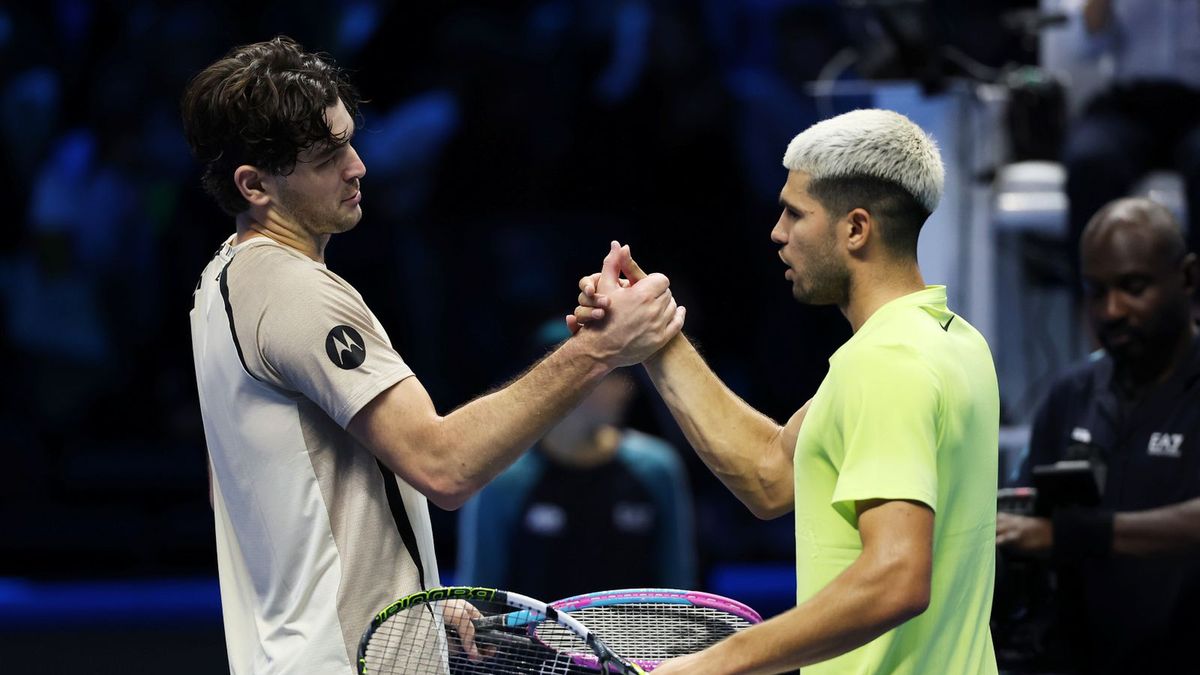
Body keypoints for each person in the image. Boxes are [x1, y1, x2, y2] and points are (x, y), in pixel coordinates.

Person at [182, 36, 684, 674]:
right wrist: (600, 349)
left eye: (349, 141)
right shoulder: (294, 292)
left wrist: (407, 598)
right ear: (254, 185)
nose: (358, 167)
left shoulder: (220, 282)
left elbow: (254, 488)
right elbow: (445, 466)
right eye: (327, 157)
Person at [571, 109, 1000, 673]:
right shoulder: (952, 341)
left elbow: (897, 578)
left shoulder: (886, 363)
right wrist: (652, 334)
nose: (777, 232)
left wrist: (714, 663)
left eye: (796, 213)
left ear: (856, 229)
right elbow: (769, 475)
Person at [997, 197, 1200, 674]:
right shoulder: (1073, 393)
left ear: (1188, 278)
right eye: (1096, 291)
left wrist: (1073, 535)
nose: (1112, 310)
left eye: (1133, 287)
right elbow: (1024, 515)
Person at [457, 319, 696, 600]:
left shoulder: (657, 469)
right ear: (561, 382)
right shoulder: (503, 480)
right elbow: (478, 596)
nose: (625, 388)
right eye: (611, 373)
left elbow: (678, 590)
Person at [1063, 0, 1200, 262]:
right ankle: (1095, 286)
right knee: (1090, 162)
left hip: (1194, 104)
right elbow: (1084, 44)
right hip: (1129, 103)